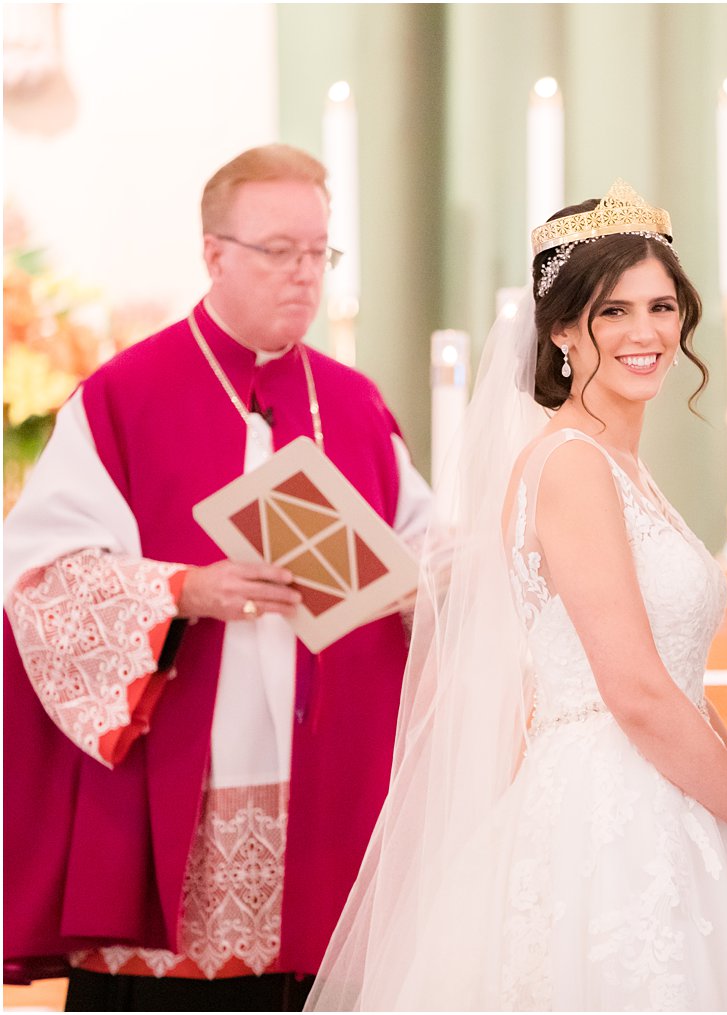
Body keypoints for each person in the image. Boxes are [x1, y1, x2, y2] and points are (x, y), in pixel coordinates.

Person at [306, 180, 727, 1011]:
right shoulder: (573, 465)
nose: (645, 332)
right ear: (559, 330)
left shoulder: (623, 468)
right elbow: (637, 691)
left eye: (661, 306)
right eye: (612, 311)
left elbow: (677, 686)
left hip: (665, 796)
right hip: (606, 818)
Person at [2, 143, 432, 1010]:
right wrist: (183, 592)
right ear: (214, 254)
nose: (304, 275)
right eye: (280, 251)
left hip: (331, 780)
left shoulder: (352, 402)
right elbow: (36, 579)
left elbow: (429, 546)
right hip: (183, 778)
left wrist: (430, 581)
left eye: (319, 252)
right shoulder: (125, 396)